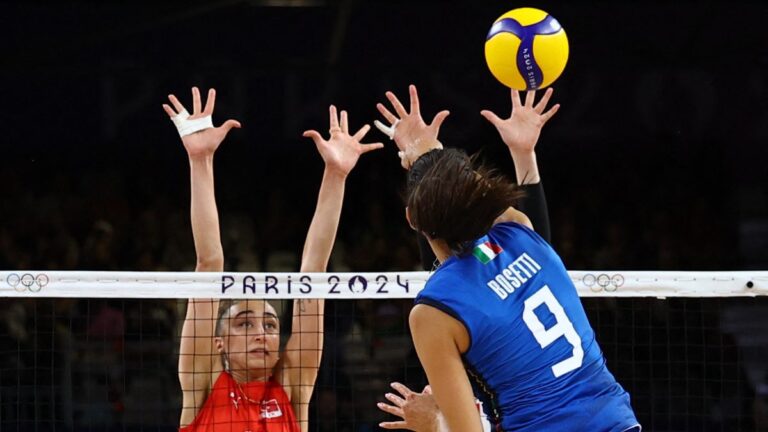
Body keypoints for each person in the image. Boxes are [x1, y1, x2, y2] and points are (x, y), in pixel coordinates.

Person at [375, 86, 640, 431]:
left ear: (410, 219)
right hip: (618, 424)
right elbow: (463, 246)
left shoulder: (432, 311)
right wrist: (436, 156)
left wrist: (434, 424)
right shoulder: (519, 237)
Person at [163, 87, 382, 432]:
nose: (261, 334)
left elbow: (314, 275)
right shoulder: (202, 384)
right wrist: (200, 161)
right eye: (244, 323)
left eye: (269, 325)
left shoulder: (292, 388)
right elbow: (208, 264)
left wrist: (336, 176)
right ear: (218, 343)